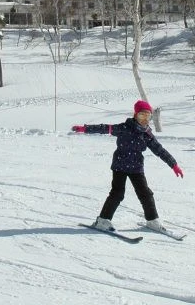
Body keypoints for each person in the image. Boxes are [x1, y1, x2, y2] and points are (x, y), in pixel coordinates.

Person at [72, 99, 184, 231]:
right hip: (120, 165)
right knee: (117, 193)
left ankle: (152, 220)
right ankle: (103, 220)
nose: (144, 119)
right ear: (135, 115)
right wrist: (85, 129)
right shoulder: (124, 128)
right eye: (142, 115)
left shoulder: (147, 134)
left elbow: (159, 150)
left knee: (146, 194)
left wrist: (174, 164)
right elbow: (104, 128)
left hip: (136, 168)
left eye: (147, 116)